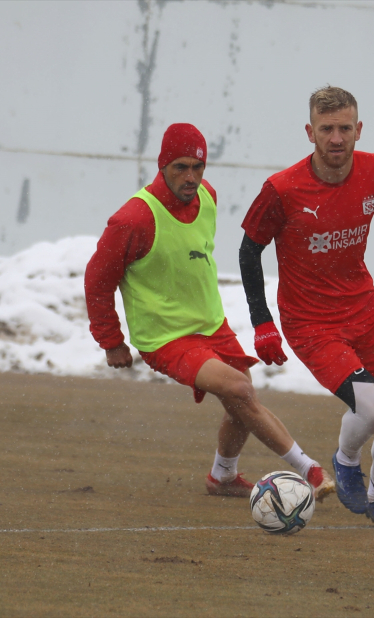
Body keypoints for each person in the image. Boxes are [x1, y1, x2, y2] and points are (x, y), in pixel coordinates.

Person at [238, 87, 374, 530]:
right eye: (326, 129)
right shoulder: (282, 189)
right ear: (310, 132)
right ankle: (346, 460)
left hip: (363, 312)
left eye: (344, 128)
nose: (336, 138)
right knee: (372, 409)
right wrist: (262, 322)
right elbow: (248, 250)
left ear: (359, 129)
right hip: (310, 323)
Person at [84, 123, 335, 502]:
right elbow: (97, 280)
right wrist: (111, 341)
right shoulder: (133, 219)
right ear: (162, 165)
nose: (191, 177)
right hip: (165, 337)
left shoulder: (209, 196)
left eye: (198, 167)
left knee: (240, 402)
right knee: (239, 389)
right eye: (180, 167)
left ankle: (222, 476)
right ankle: (309, 470)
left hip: (211, 325)